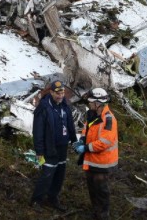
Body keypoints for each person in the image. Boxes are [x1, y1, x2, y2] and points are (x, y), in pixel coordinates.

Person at [30, 80, 77, 212]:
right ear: (51, 92)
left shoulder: (65, 105)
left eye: (62, 92)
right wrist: (39, 151)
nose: (60, 95)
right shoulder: (43, 107)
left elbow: (70, 124)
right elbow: (37, 131)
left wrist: (74, 140)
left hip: (63, 148)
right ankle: (36, 200)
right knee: (47, 174)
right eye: (57, 93)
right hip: (49, 148)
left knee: (59, 174)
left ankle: (52, 197)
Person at [74, 88, 118, 220]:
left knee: (101, 191)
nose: (89, 104)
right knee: (92, 189)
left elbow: (105, 142)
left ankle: (103, 216)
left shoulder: (108, 120)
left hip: (103, 163)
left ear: (98, 103)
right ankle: (96, 212)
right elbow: (87, 128)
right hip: (92, 160)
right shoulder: (93, 114)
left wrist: (86, 148)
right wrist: (82, 139)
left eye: (91, 102)